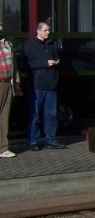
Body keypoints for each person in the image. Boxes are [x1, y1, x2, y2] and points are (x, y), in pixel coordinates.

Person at [23, 21, 65, 150]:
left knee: (51, 115)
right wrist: (45, 63)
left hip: (51, 84)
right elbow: (28, 64)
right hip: (37, 84)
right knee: (35, 115)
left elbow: (57, 57)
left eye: (48, 30)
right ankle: (33, 141)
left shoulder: (51, 44)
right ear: (38, 31)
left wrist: (56, 62)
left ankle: (51, 140)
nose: (48, 32)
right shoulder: (30, 45)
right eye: (45, 30)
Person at [0, 22, 19, 158]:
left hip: (7, 83)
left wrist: (16, 82)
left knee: (4, 117)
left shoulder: (8, 44)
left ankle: (3, 148)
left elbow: (14, 64)